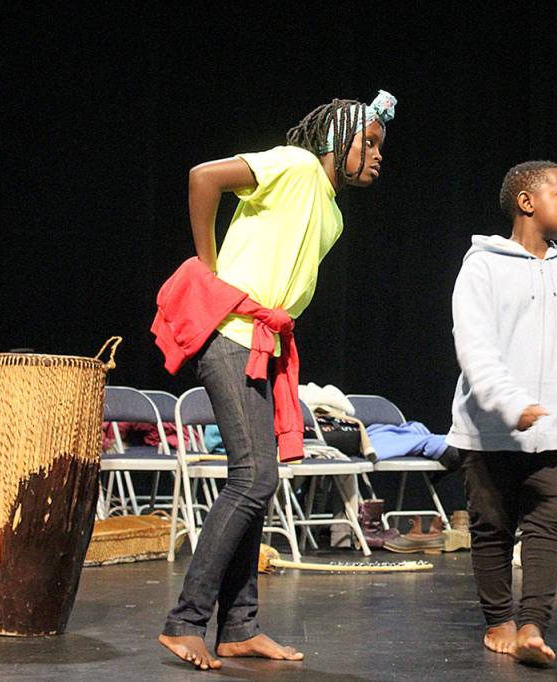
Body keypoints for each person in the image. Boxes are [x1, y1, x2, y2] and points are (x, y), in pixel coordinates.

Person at [155, 90, 397, 671]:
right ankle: (185, 621)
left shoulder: (333, 212)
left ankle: (239, 625)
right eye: (368, 143)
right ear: (337, 141)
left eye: (379, 146)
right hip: (231, 333)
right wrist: (209, 271)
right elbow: (204, 178)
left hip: (261, 345)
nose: (376, 155)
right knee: (254, 477)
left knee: (257, 481)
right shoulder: (295, 165)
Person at [447, 161, 557, 666]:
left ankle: (532, 627)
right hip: (490, 431)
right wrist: (511, 404)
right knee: (492, 527)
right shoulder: (481, 267)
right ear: (526, 202)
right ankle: (499, 621)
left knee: (548, 530)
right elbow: (475, 348)